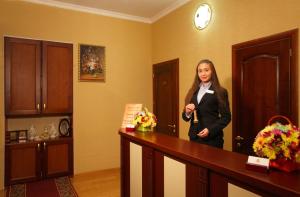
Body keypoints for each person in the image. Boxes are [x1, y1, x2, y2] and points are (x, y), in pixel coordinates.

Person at [182, 59, 231, 148]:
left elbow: (226, 117)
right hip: (194, 137)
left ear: (212, 71)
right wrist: (187, 112)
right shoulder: (193, 91)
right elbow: (185, 117)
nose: (203, 74)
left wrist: (210, 130)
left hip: (212, 139)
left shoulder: (221, 91)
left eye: (206, 70)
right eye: (200, 71)